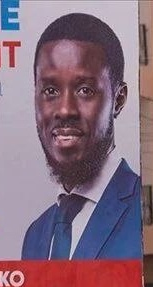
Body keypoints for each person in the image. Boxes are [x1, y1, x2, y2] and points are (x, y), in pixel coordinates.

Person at [22, 13, 141, 260]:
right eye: (50, 90)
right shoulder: (35, 235)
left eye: (85, 90)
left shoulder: (140, 211)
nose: (65, 110)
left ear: (118, 99)